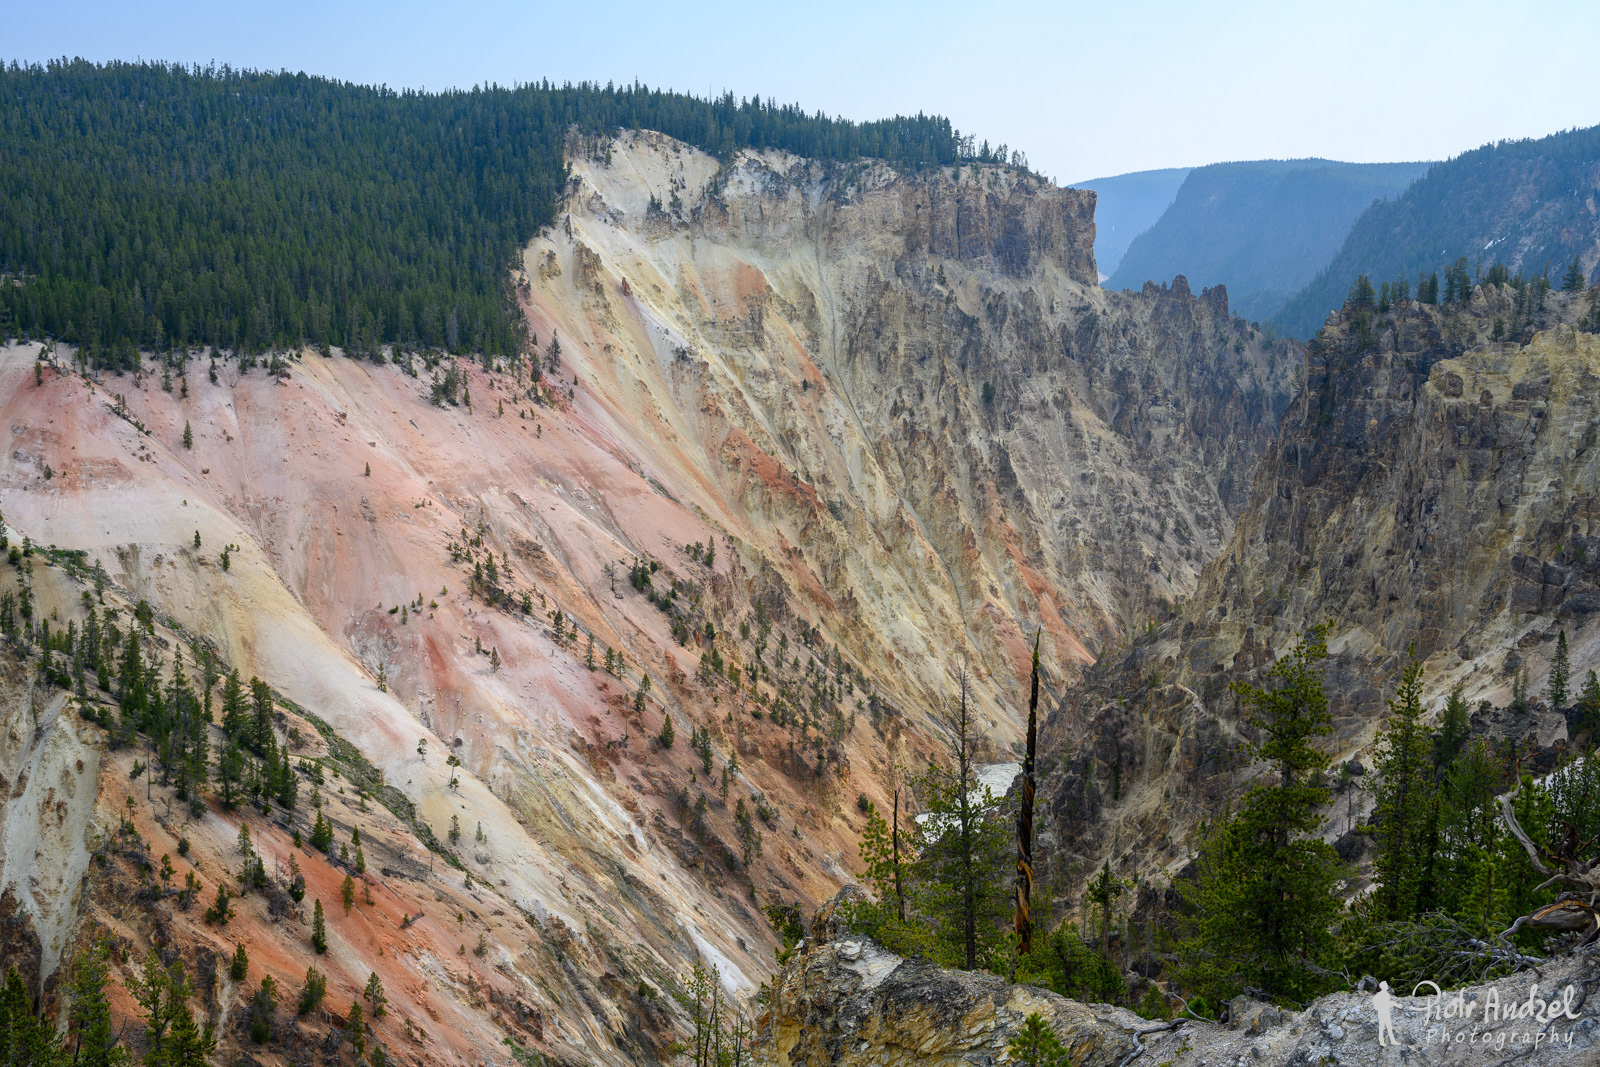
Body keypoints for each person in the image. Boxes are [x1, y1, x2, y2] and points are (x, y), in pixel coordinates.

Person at [1374, 980, 1397, 1046]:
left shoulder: (1386, 994)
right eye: (1386, 985)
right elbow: (1376, 1003)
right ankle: (1381, 1041)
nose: (1387, 986)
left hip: (1386, 1012)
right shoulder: (1379, 995)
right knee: (1382, 1027)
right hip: (1382, 1012)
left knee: (1389, 1026)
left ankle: (1392, 1040)